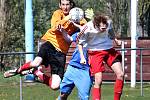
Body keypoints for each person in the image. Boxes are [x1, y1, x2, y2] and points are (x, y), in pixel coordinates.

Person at [4, 0, 87, 90]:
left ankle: (37, 73)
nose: (65, 7)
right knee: (36, 62)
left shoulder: (77, 16)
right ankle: (18, 70)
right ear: (60, 5)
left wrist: (84, 21)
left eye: (67, 4)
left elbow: (87, 28)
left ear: (71, 5)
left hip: (60, 53)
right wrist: (68, 18)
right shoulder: (57, 13)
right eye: (63, 4)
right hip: (50, 44)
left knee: (55, 86)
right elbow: (55, 27)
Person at [78, 13, 124, 100]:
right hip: (95, 52)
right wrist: (82, 57)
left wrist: (116, 40)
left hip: (109, 50)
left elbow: (110, 31)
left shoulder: (108, 22)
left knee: (120, 74)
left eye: (105, 27)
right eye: (102, 28)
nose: (104, 29)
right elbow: (79, 43)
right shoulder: (87, 27)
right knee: (98, 80)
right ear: (96, 25)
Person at [57, 28, 93, 100]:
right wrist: (63, 31)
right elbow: (69, 39)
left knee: (84, 97)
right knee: (63, 94)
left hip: (85, 70)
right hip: (72, 67)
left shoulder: (98, 38)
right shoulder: (80, 34)